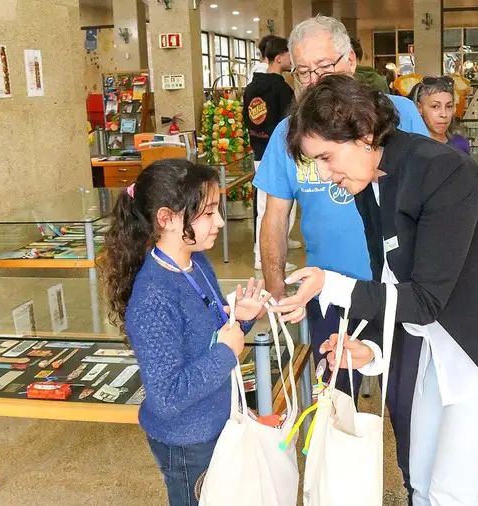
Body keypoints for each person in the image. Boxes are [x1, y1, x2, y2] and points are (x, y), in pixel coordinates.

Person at [274, 74, 478, 506]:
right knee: (422, 483)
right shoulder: (371, 181)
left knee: (450, 491)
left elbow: (423, 299)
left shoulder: (444, 171)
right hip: (440, 343)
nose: (326, 174)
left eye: (328, 158)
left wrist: (329, 282)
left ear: (363, 133)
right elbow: (390, 281)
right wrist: (371, 348)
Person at [251, 15, 429, 500]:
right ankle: (341, 491)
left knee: (407, 402)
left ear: (351, 60)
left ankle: (417, 488)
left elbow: (431, 198)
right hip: (328, 294)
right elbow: (274, 218)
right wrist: (275, 293)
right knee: (336, 400)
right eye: (303, 72)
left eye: (324, 66)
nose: (314, 80)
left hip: (399, 291)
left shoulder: (398, 116)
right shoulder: (291, 133)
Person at [100, 159, 270, 506]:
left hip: (215, 421)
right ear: (167, 218)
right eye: (208, 214)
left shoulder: (195, 261)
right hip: (187, 440)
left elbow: (215, 330)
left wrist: (240, 318)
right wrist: (226, 352)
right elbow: (165, 397)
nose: (220, 222)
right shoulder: (154, 298)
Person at [243, 36, 300, 272]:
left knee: (267, 205)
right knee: (274, 207)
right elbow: (292, 123)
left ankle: (279, 244)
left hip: (259, 150)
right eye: (289, 55)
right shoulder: (282, 89)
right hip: (279, 153)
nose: (292, 60)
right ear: (279, 58)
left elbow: (248, 119)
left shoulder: (251, 87)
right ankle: (263, 255)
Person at [410, 76, 470, 154]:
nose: (444, 114)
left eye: (449, 106)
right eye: (435, 106)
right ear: (419, 108)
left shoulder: (460, 145)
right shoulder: (410, 147)